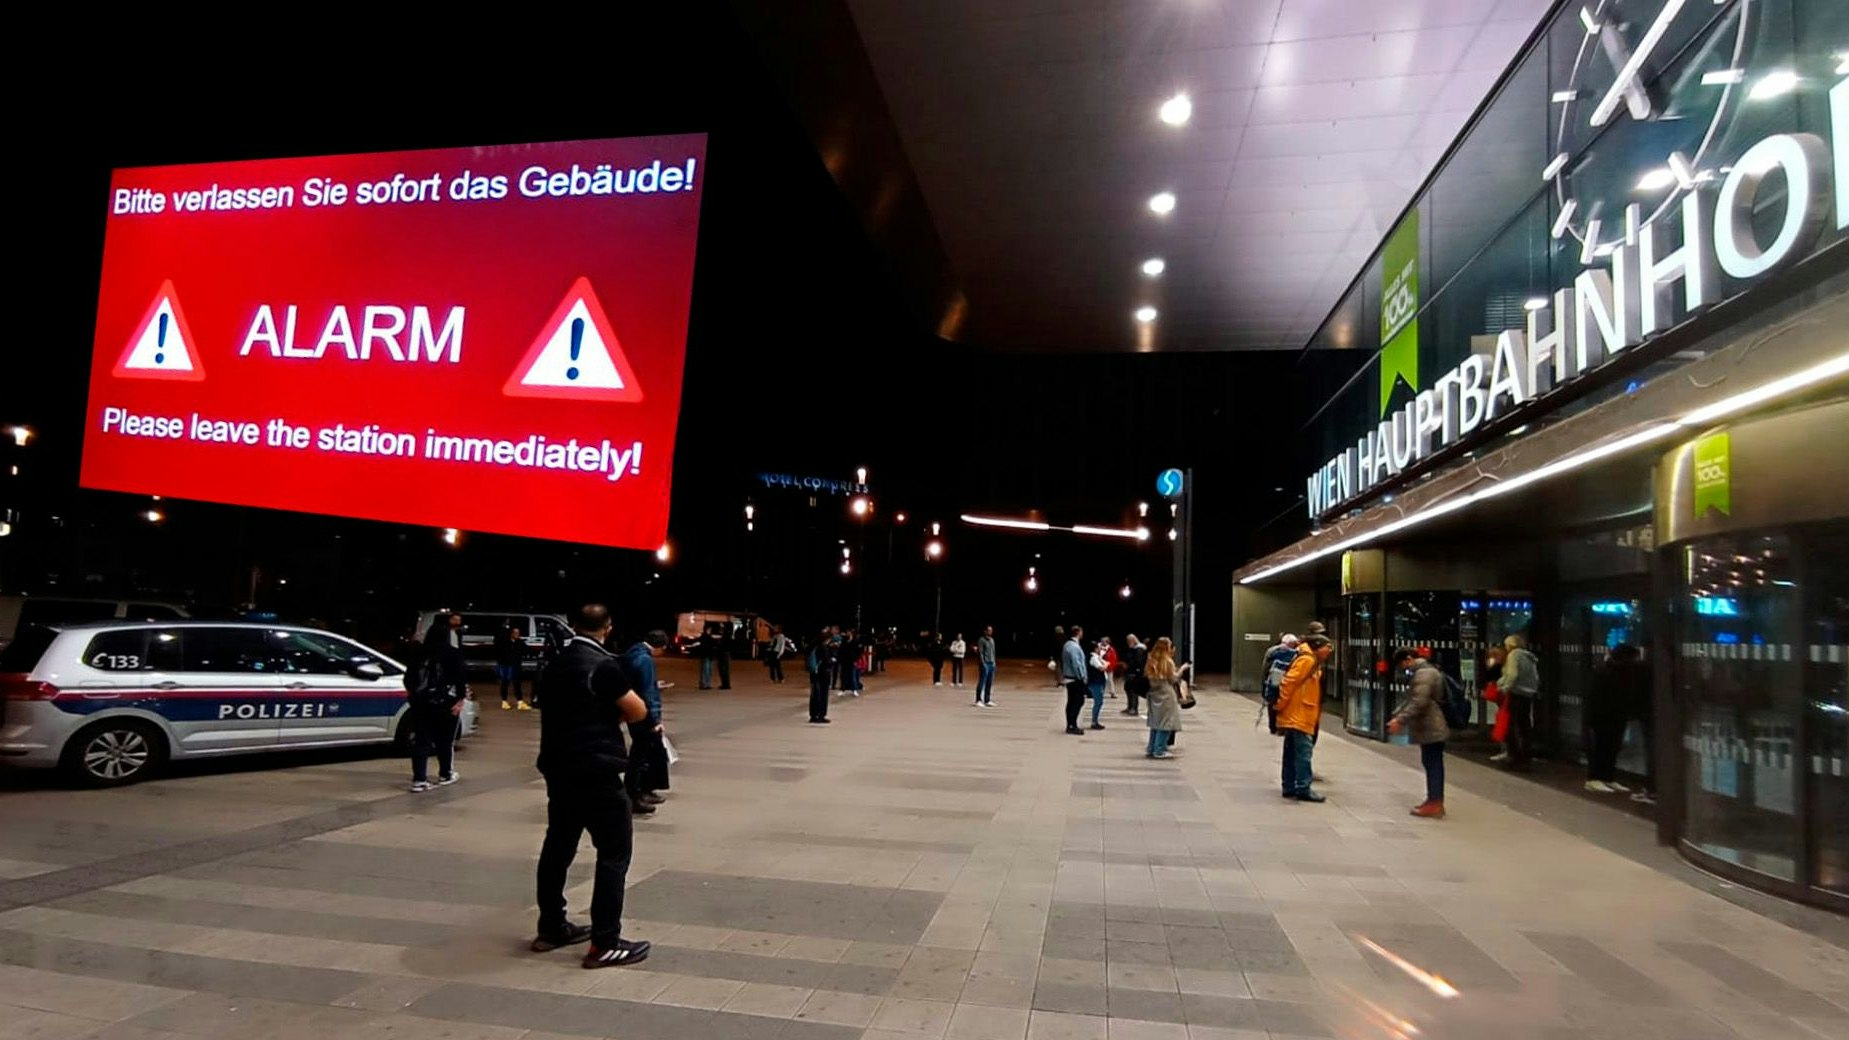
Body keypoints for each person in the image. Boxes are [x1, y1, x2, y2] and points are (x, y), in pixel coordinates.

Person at [532, 603, 652, 968]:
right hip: (597, 771)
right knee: (614, 853)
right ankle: (605, 941)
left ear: (572, 624)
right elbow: (638, 710)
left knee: (558, 846)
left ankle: (551, 926)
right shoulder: (603, 666)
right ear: (608, 627)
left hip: (558, 768)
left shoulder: (554, 664)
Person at [406, 613, 467, 792]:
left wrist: (413, 696)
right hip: (445, 702)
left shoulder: (418, 653)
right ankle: (445, 773)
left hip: (421, 702)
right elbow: (460, 679)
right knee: (445, 740)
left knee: (422, 740)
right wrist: (459, 700)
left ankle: (419, 780)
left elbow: (409, 678)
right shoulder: (453, 654)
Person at [1387, 648, 1450, 818]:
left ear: (1409, 659)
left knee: (1433, 763)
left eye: (1403, 665)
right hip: (1430, 725)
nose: (1404, 669)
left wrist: (1400, 720)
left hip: (1431, 725)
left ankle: (1435, 802)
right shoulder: (1426, 672)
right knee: (1431, 762)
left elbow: (1419, 701)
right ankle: (1434, 800)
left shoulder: (1424, 674)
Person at [1277, 635, 1333, 802]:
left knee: (1291, 752)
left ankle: (1289, 786)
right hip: (1299, 714)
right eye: (1327, 647)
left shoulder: (1307, 658)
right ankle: (1303, 787)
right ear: (1317, 646)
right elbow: (1288, 682)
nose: (1330, 651)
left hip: (1297, 712)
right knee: (1303, 753)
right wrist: (1280, 705)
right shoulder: (1307, 660)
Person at [622, 630, 671, 816]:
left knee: (640, 753)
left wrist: (654, 685)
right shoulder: (645, 660)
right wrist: (655, 719)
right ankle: (634, 794)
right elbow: (647, 693)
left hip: (634, 709)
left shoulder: (634, 653)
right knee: (640, 755)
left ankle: (639, 791)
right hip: (641, 712)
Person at [1587, 643, 1647, 794]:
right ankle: (1594, 778)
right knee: (1602, 746)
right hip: (1604, 716)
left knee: (1613, 746)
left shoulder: (1622, 672)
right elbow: (1595, 697)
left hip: (1617, 715)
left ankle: (1607, 777)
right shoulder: (1605, 672)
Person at [1501, 634, 1540, 770]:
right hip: (1528, 694)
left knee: (1512, 725)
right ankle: (1526, 755)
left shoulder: (1514, 656)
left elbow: (1512, 674)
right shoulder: (1529, 657)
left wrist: (1504, 686)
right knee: (1525, 726)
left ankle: (1514, 756)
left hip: (1516, 693)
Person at [1143, 636, 1184, 758]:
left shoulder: (1151, 660)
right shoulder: (1167, 661)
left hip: (1153, 694)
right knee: (1166, 723)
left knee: (1155, 722)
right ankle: (1159, 750)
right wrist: (1182, 669)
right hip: (1166, 694)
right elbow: (1173, 679)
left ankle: (1151, 747)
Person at [1259, 634, 1299, 734]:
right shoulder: (1296, 653)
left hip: (1272, 680)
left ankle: (1273, 726)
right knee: (1283, 702)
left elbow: (1265, 668)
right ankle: (1281, 727)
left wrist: (1264, 682)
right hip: (1287, 680)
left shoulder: (1272, 651)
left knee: (1272, 702)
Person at [1060, 626, 1089, 735]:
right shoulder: (1074, 647)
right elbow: (1077, 663)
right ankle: (1072, 724)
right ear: (1078, 633)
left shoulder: (1067, 645)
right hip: (1075, 678)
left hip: (1069, 677)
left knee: (1072, 701)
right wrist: (1082, 676)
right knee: (1078, 701)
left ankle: (1071, 724)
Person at [496, 625, 530, 710]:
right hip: (506, 665)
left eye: (518, 633)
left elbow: (526, 651)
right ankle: (504, 701)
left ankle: (520, 702)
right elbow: (500, 651)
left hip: (515, 666)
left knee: (517, 684)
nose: (517, 634)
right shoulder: (505, 642)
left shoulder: (520, 642)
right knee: (505, 683)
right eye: (515, 633)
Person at [806, 630, 835, 723]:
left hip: (814, 673)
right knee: (823, 694)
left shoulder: (813, 647)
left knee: (814, 694)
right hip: (823, 674)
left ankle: (813, 715)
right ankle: (821, 715)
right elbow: (827, 662)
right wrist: (832, 660)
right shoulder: (824, 648)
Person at [1120, 634, 1148, 716]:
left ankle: (1134, 708)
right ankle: (1130, 706)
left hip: (1134, 673)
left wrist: (1135, 670)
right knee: (1128, 688)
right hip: (1130, 672)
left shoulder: (1139, 649)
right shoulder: (1134, 649)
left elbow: (1138, 662)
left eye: (1129, 641)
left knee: (1133, 690)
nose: (1128, 643)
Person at [1084, 639, 1108, 730]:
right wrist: (1106, 665)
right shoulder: (1093, 658)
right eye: (1098, 647)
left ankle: (1095, 720)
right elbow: (1101, 668)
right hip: (1096, 682)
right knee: (1098, 702)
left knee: (1099, 702)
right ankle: (1094, 721)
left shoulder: (1097, 657)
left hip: (1098, 681)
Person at [975, 626, 997, 707]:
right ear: (985, 631)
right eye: (988, 630)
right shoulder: (981, 640)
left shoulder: (992, 640)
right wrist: (983, 663)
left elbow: (993, 652)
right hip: (985, 663)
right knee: (982, 681)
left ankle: (987, 700)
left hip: (991, 663)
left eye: (991, 630)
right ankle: (978, 700)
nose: (990, 632)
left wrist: (994, 662)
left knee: (989, 682)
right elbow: (980, 653)